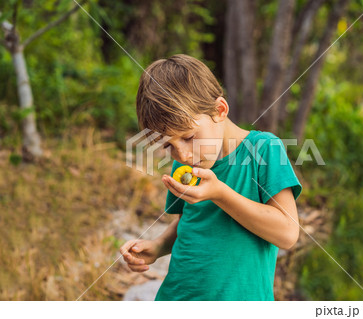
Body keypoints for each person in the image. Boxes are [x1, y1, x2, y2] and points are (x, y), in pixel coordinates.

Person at [120, 54, 302, 301]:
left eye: (188, 137)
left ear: (219, 110)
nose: (182, 154)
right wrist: (158, 246)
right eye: (167, 145)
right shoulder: (186, 163)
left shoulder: (264, 149)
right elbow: (192, 222)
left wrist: (220, 193)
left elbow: (288, 233)